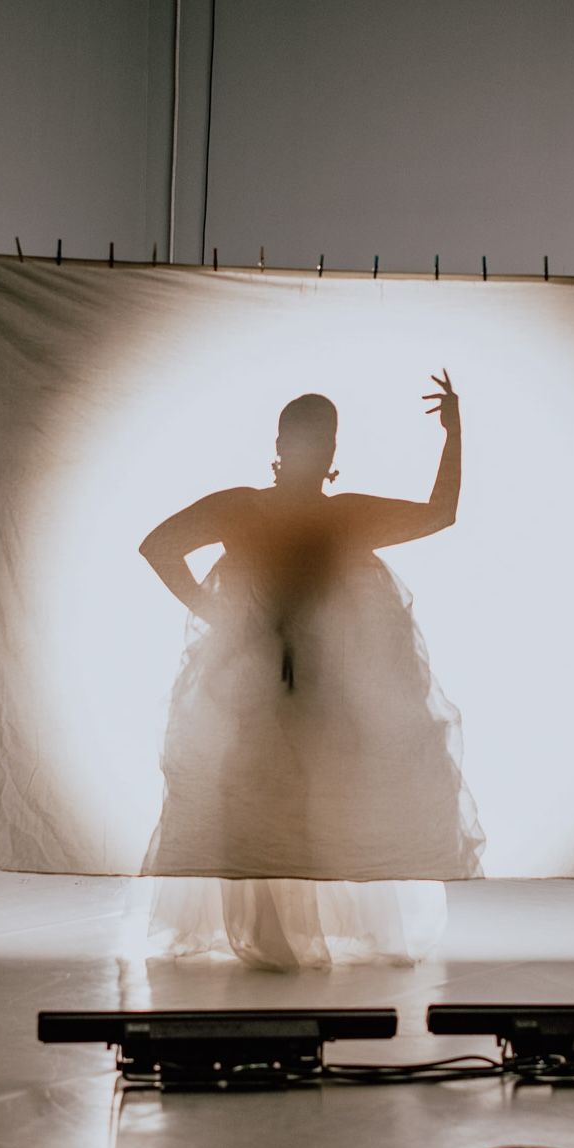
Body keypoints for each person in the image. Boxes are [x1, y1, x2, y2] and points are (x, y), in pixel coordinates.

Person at [138, 372, 483, 969]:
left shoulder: (274, 511)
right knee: (274, 805)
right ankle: (277, 939)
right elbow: (158, 545)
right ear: (300, 449)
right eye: (312, 440)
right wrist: (216, 615)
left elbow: (439, 514)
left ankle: (279, 940)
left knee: (297, 804)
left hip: (297, 691)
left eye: (319, 441)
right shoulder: (287, 512)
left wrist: (454, 434)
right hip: (261, 691)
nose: (315, 452)